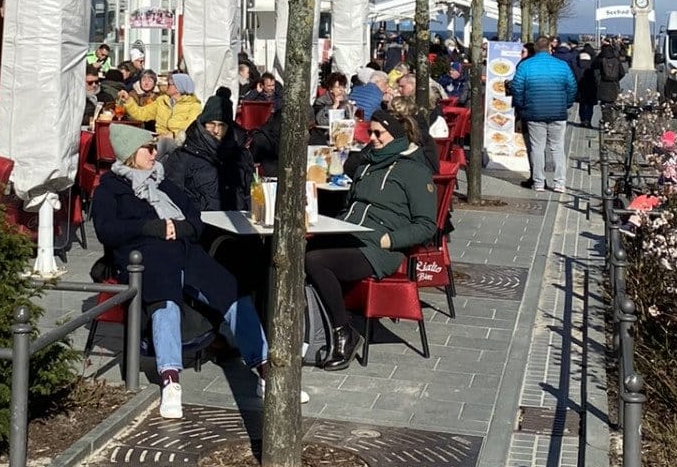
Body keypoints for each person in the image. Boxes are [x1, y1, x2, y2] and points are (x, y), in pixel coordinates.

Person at [91, 124, 274, 420]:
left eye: (154, 148)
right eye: (148, 149)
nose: (154, 153)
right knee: (165, 300)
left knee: (230, 289)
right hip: (144, 259)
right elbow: (107, 230)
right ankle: (170, 380)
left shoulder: (164, 183)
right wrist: (150, 227)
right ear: (128, 154)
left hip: (185, 252)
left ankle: (265, 368)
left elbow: (195, 218)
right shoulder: (111, 189)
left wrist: (181, 228)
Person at [301, 108, 439, 370]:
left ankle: (345, 334)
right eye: (370, 132)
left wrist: (388, 240)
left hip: (379, 248)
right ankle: (307, 331)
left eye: (379, 133)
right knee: (296, 250)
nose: (372, 138)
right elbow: (351, 204)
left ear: (395, 136)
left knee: (316, 261)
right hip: (350, 235)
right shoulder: (367, 164)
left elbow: (426, 225)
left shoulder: (414, 170)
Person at [163, 90, 253, 213]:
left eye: (222, 125)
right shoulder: (183, 156)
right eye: (211, 124)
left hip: (239, 222)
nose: (216, 130)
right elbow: (173, 195)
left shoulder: (241, 155)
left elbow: (249, 192)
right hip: (202, 224)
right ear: (203, 124)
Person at [511, 36, 577, 194]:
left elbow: (517, 88)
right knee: (557, 148)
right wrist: (565, 104)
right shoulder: (562, 66)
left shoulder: (525, 66)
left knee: (537, 148)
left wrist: (522, 106)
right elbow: (572, 87)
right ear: (550, 48)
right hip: (558, 113)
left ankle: (539, 182)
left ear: (535, 48)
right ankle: (560, 183)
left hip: (534, 113)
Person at [593, 38, 627, 120]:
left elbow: (596, 72)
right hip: (614, 84)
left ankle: (606, 120)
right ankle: (611, 120)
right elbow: (622, 72)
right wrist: (616, 79)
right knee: (612, 103)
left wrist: (598, 81)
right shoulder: (616, 60)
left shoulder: (600, 60)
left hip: (603, 84)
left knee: (604, 103)